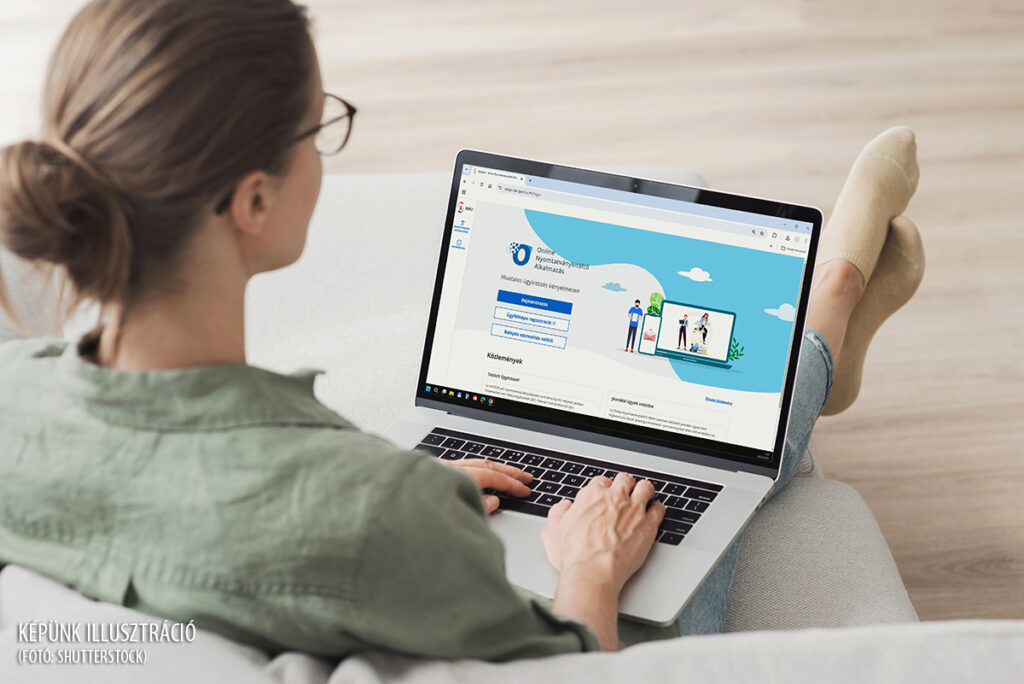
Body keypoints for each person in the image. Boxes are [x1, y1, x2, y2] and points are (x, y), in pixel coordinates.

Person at [0, 0, 924, 660]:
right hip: (479, 588)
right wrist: (593, 569)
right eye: (318, 127)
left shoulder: (14, 403)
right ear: (251, 201)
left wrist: (396, 489)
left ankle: (823, 342)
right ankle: (827, 312)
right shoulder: (374, 509)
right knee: (719, 471)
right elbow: (566, 662)